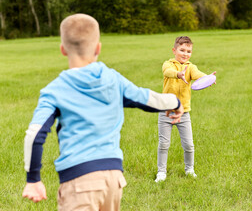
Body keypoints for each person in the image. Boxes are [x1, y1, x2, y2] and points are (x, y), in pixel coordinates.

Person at [22, 13, 184, 210]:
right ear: (98, 47)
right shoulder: (113, 79)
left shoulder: (55, 90)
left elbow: (35, 133)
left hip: (78, 181)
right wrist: (175, 101)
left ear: (63, 50)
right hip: (114, 180)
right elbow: (146, 98)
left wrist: (33, 179)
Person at [155, 36, 216, 182]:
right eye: (182, 50)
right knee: (164, 143)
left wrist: (207, 78)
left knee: (189, 145)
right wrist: (178, 74)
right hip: (166, 112)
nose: (185, 54)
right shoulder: (168, 64)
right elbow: (167, 72)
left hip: (184, 113)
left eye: (188, 51)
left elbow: (197, 75)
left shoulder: (190, 67)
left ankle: (189, 169)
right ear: (174, 50)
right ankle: (161, 172)